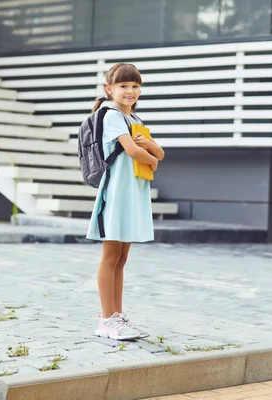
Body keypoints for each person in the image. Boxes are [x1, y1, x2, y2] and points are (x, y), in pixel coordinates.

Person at [86, 63, 165, 340]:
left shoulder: (134, 119)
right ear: (110, 90)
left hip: (133, 193)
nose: (130, 91)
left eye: (134, 86)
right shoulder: (111, 115)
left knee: (121, 257)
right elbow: (134, 150)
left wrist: (153, 153)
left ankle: (117, 316)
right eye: (123, 86)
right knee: (110, 256)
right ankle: (106, 320)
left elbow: (160, 151)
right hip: (117, 193)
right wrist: (152, 158)